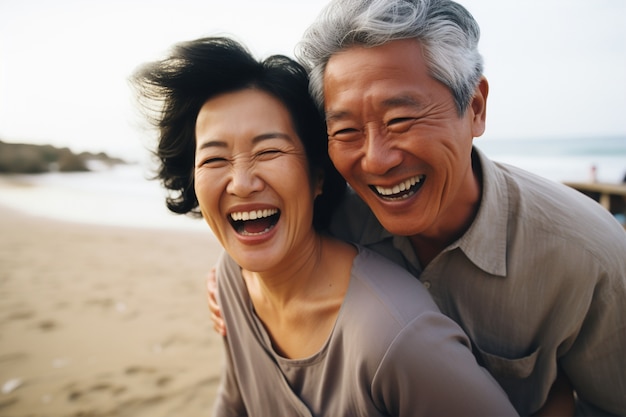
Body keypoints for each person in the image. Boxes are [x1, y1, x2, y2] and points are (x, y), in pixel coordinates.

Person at [207, 1, 626, 416]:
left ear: (476, 107)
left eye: (401, 121)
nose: (377, 160)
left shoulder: (589, 258)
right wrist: (241, 286)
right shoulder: (327, 220)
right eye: (347, 130)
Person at [131, 36, 518, 416]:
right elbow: (236, 401)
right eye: (215, 159)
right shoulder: (234, 279)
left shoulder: (396, 337)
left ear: (318, 176)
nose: (243, 183)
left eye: (268, 151)